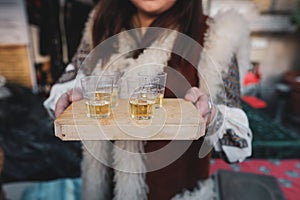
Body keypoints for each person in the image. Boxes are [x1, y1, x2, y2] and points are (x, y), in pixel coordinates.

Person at [44, 0, 252, 199]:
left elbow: (239, 142)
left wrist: (212, 116)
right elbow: (71, 81)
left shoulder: (214, 36)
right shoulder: (103, 25)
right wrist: (72, 99)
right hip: (103, 189)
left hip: (175, 193)